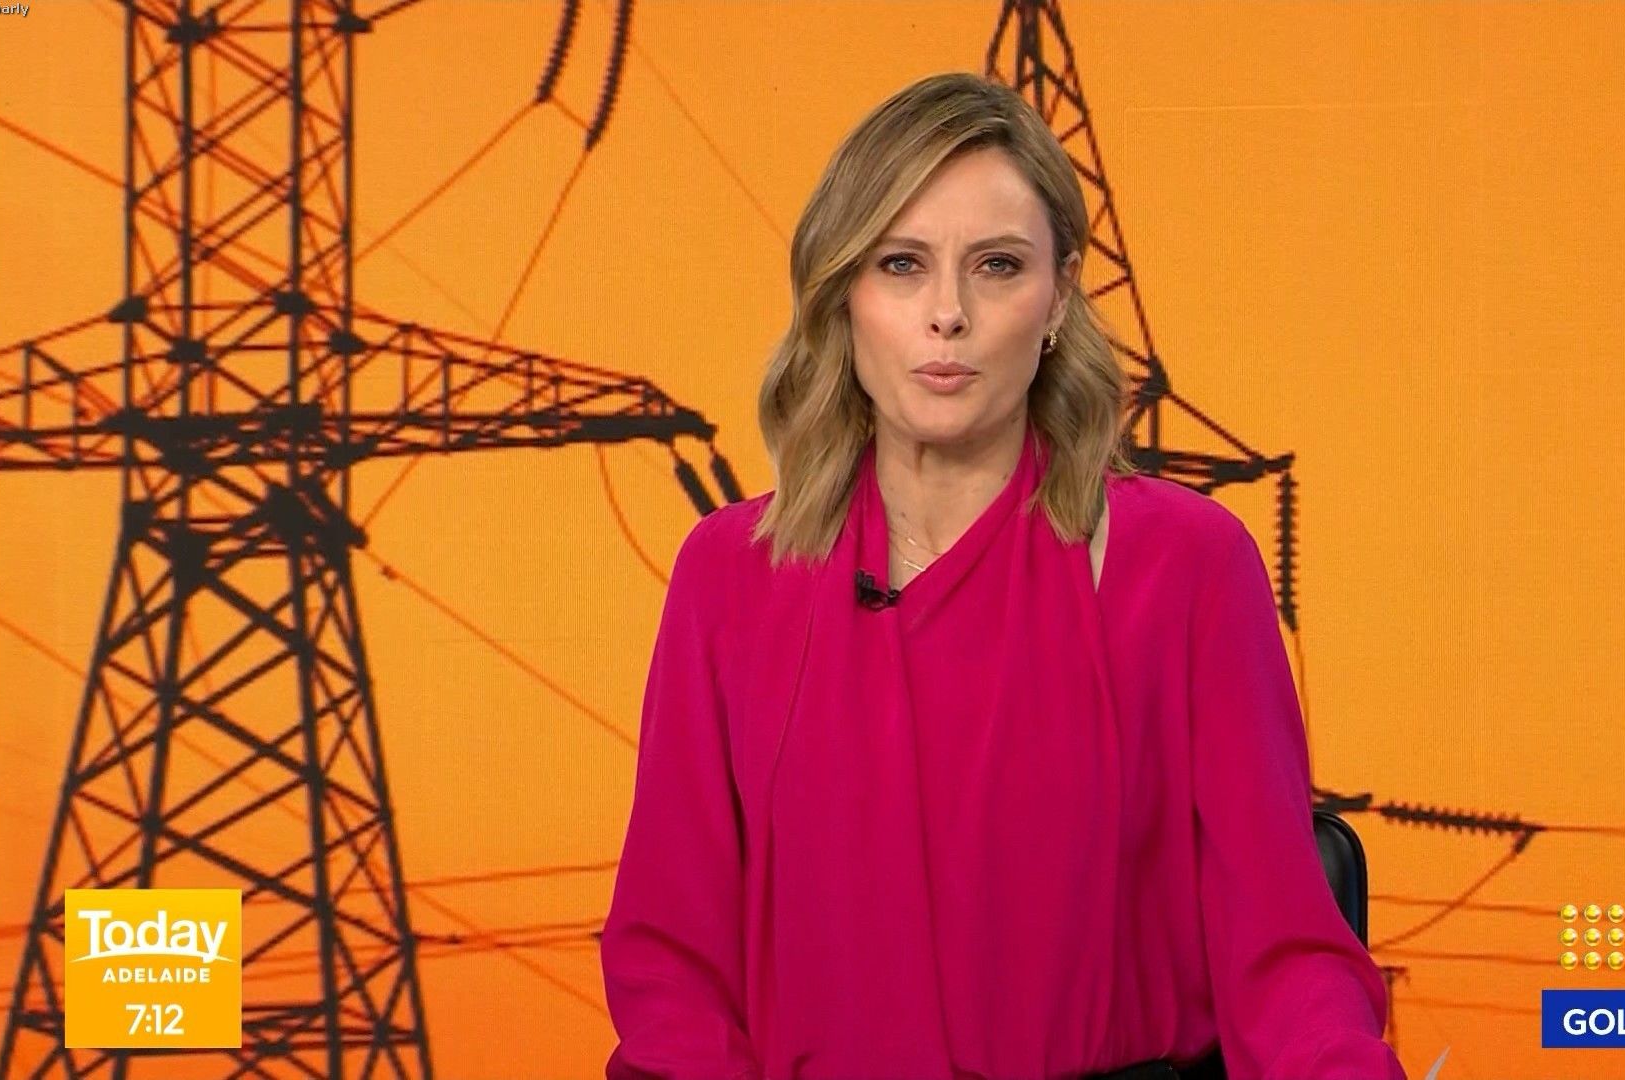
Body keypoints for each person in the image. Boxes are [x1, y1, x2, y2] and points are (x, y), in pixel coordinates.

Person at [598, 70, 1407, 1080]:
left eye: (996, 266)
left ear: (1059, 296)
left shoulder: (1190, 567)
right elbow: (673, 972)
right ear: (843, 296)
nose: (949, 314)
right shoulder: (729, 576)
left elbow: (1284, 960)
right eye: (901, 264)